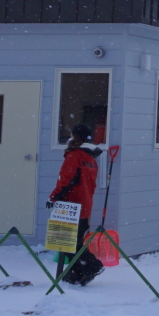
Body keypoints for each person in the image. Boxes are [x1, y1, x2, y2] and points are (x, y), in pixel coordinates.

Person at [48, 122, 104, 286]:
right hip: (85, 205)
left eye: (72, 135)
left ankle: (92, 265)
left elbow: (66, 180)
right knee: (74, 242)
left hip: (70, 206)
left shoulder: (74, 156)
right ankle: (76, 273)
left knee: (68, 243)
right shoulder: (91, 159)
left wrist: (54, 197)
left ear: (76, 137)